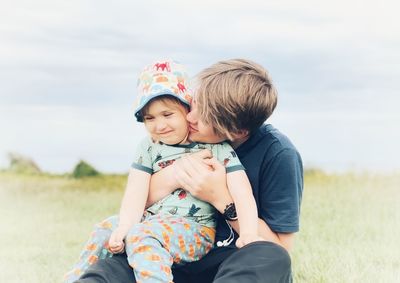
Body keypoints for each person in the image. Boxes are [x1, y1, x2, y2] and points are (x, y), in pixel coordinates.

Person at [76, 58, 303, 283]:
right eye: (194, 103)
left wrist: (219, 197)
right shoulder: (167, 142)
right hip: (162, 253)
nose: (190, 116)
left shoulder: (278, 154)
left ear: (238, 130)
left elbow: (279, 246)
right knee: (107, 268)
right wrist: (176, 175)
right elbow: (136, 204)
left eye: (204, 115)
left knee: (272, 258)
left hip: (227, 262)